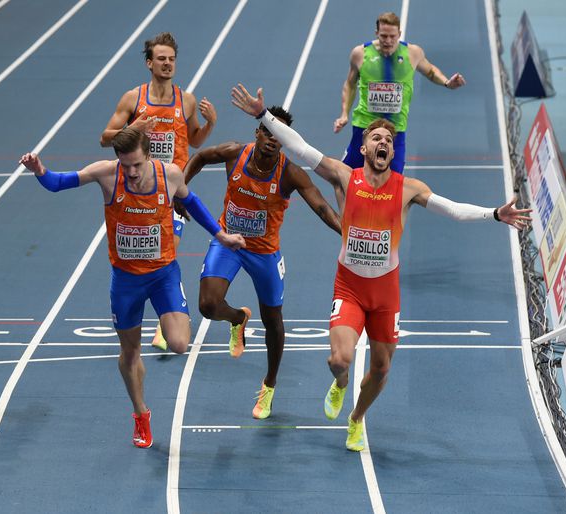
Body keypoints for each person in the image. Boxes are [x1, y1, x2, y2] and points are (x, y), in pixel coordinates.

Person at [232, 84, 530, 450]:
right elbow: (300, 148)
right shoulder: (345, 176)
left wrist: (494, 214)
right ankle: (340, 385)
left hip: (385, 293)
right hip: (350, 288)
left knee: (382, 369)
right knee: (338, 360)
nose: (383, 141)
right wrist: (264, 116)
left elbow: (451, 209)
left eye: (388, 138)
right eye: (376, 137)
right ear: (364, 147)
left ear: (392, 150)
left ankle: (356, 418)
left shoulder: (408, 189)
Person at [20, 127, 244, 449]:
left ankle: (166, 316)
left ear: (149, 155)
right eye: (125, 165)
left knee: (180, 343)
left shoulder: (170, 175)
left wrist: (220, 235)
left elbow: (191, 202)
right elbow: (59, 183)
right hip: (126, 280)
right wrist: (40, 170)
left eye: (137, 165)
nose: (132, 172)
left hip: (163, 274)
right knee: (130, 353)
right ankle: (140, 413)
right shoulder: (107, 175)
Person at [181, 106, 341, 419]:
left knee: (273, 322)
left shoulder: (290, 172)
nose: (271, 139)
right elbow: (199, 157)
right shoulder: (234, 154)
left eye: (278, 135)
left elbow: (322, 207)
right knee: (208, 305)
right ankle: (237, 319)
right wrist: (180, 189)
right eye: (267, 131)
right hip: (228, 242)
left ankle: (269, 385)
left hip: (264, 252)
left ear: (285, 141)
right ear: (258, 132)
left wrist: (347, 233)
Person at [100, 32, 217, 351]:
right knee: (150, 253)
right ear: (150, 63)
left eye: (172, 59)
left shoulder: (186, 100)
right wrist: (134, 129)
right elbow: (105, 137)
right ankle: (163, 316)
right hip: (136, 188)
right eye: (161, 59)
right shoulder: (133, 99)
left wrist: (209, 125)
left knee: (167, 249)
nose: (167, 64)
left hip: (168, 190)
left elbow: (194, 141)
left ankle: (167, 321)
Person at [333, 12, 466, 174]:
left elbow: (430, 71)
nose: (388, 41)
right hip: (364, 126)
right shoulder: (360, 54)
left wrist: (447, 82)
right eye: (383, 36)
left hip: (395, 129)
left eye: (392, 36)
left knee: (394, 181)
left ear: (399, 34)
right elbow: (350, 84)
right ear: (376, 34)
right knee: (348, 176)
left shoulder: (413, 53)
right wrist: (344, 114)